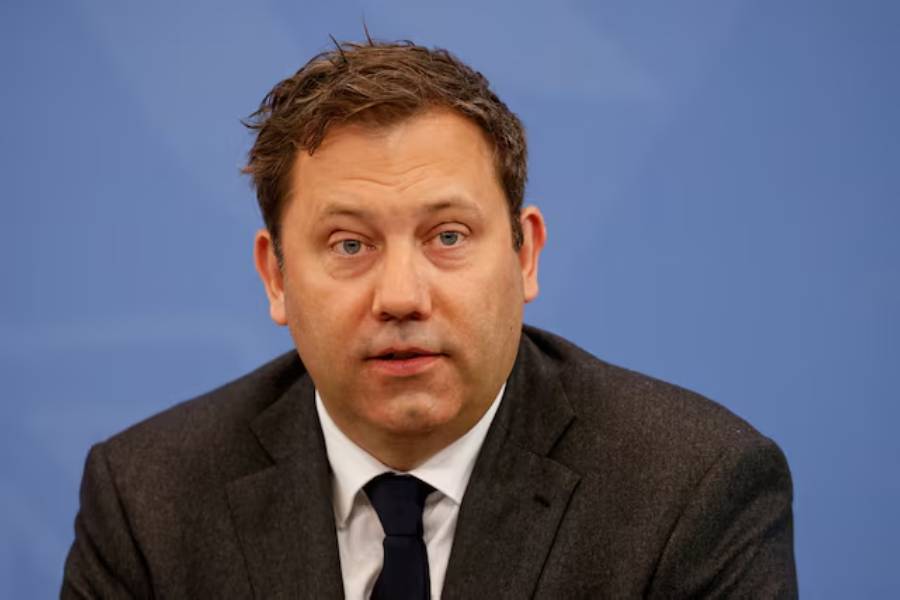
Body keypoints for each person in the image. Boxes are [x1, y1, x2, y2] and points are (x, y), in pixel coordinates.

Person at [62, 39, 797, 599]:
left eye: (448, 236)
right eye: (349, 245)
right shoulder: (147, 501)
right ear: (276, 275)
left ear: (525, 254)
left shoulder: (690, 489)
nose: (402, 296)